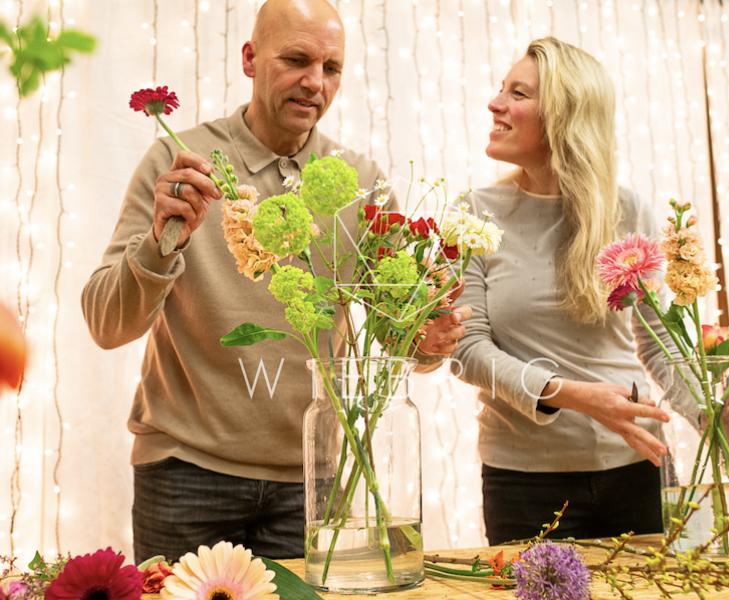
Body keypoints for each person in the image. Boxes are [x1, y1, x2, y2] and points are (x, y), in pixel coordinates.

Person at [81, 0, 470, 563]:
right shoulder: (178, 163)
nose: (315, 82)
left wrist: (426, 341)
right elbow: (106, 324)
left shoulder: (360, 183)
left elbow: (397, 336)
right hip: (185, 472)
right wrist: (160, 242)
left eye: (331, 68)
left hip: (310, 483)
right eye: (296, 59)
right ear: (250, 59)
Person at [452, 37, 678, 544]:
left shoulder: (627, 210)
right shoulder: (473, 213)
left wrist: (713, 412)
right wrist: (574, 396)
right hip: (524, 484)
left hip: (637, 466)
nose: (495, 103)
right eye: (501, 90)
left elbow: (663, 346)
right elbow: (467, 350)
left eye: (518, 94)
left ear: (565, 115)